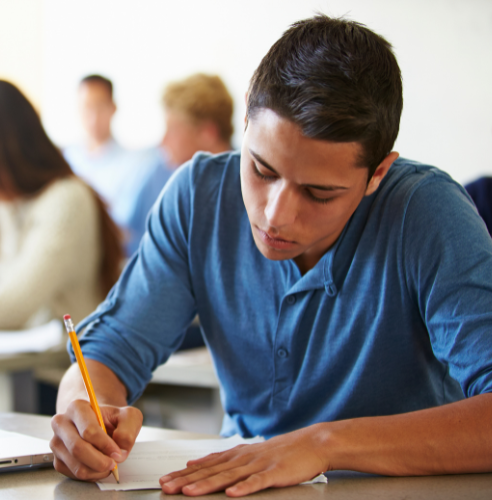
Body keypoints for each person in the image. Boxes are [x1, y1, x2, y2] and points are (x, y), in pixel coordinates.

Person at [50, 15, 492, 497]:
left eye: (319, 193)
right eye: (261, 169)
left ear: (378, 173)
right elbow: (110, 350)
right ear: (245, 117)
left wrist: (324, 443)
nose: (276, 215)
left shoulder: (427, 212)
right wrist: (81, 413)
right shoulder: (198, 197)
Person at [0, 80, 123, 329]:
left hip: (64, 363)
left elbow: (14, 306)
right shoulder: (5, 202)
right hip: (15, 361)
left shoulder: (67, 201)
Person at [127, 73, 234, 255]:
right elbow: (131, 238)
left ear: (207, 133)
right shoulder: (159, 173)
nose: (163, 141)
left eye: (173, 129)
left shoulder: (248, 183)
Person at [63, 75, 155, 256]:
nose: (94, 118)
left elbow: (126, 229)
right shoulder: (65, 161)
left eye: (100, 107)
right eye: (87, 108)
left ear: (113, 108)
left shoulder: (135, 165)